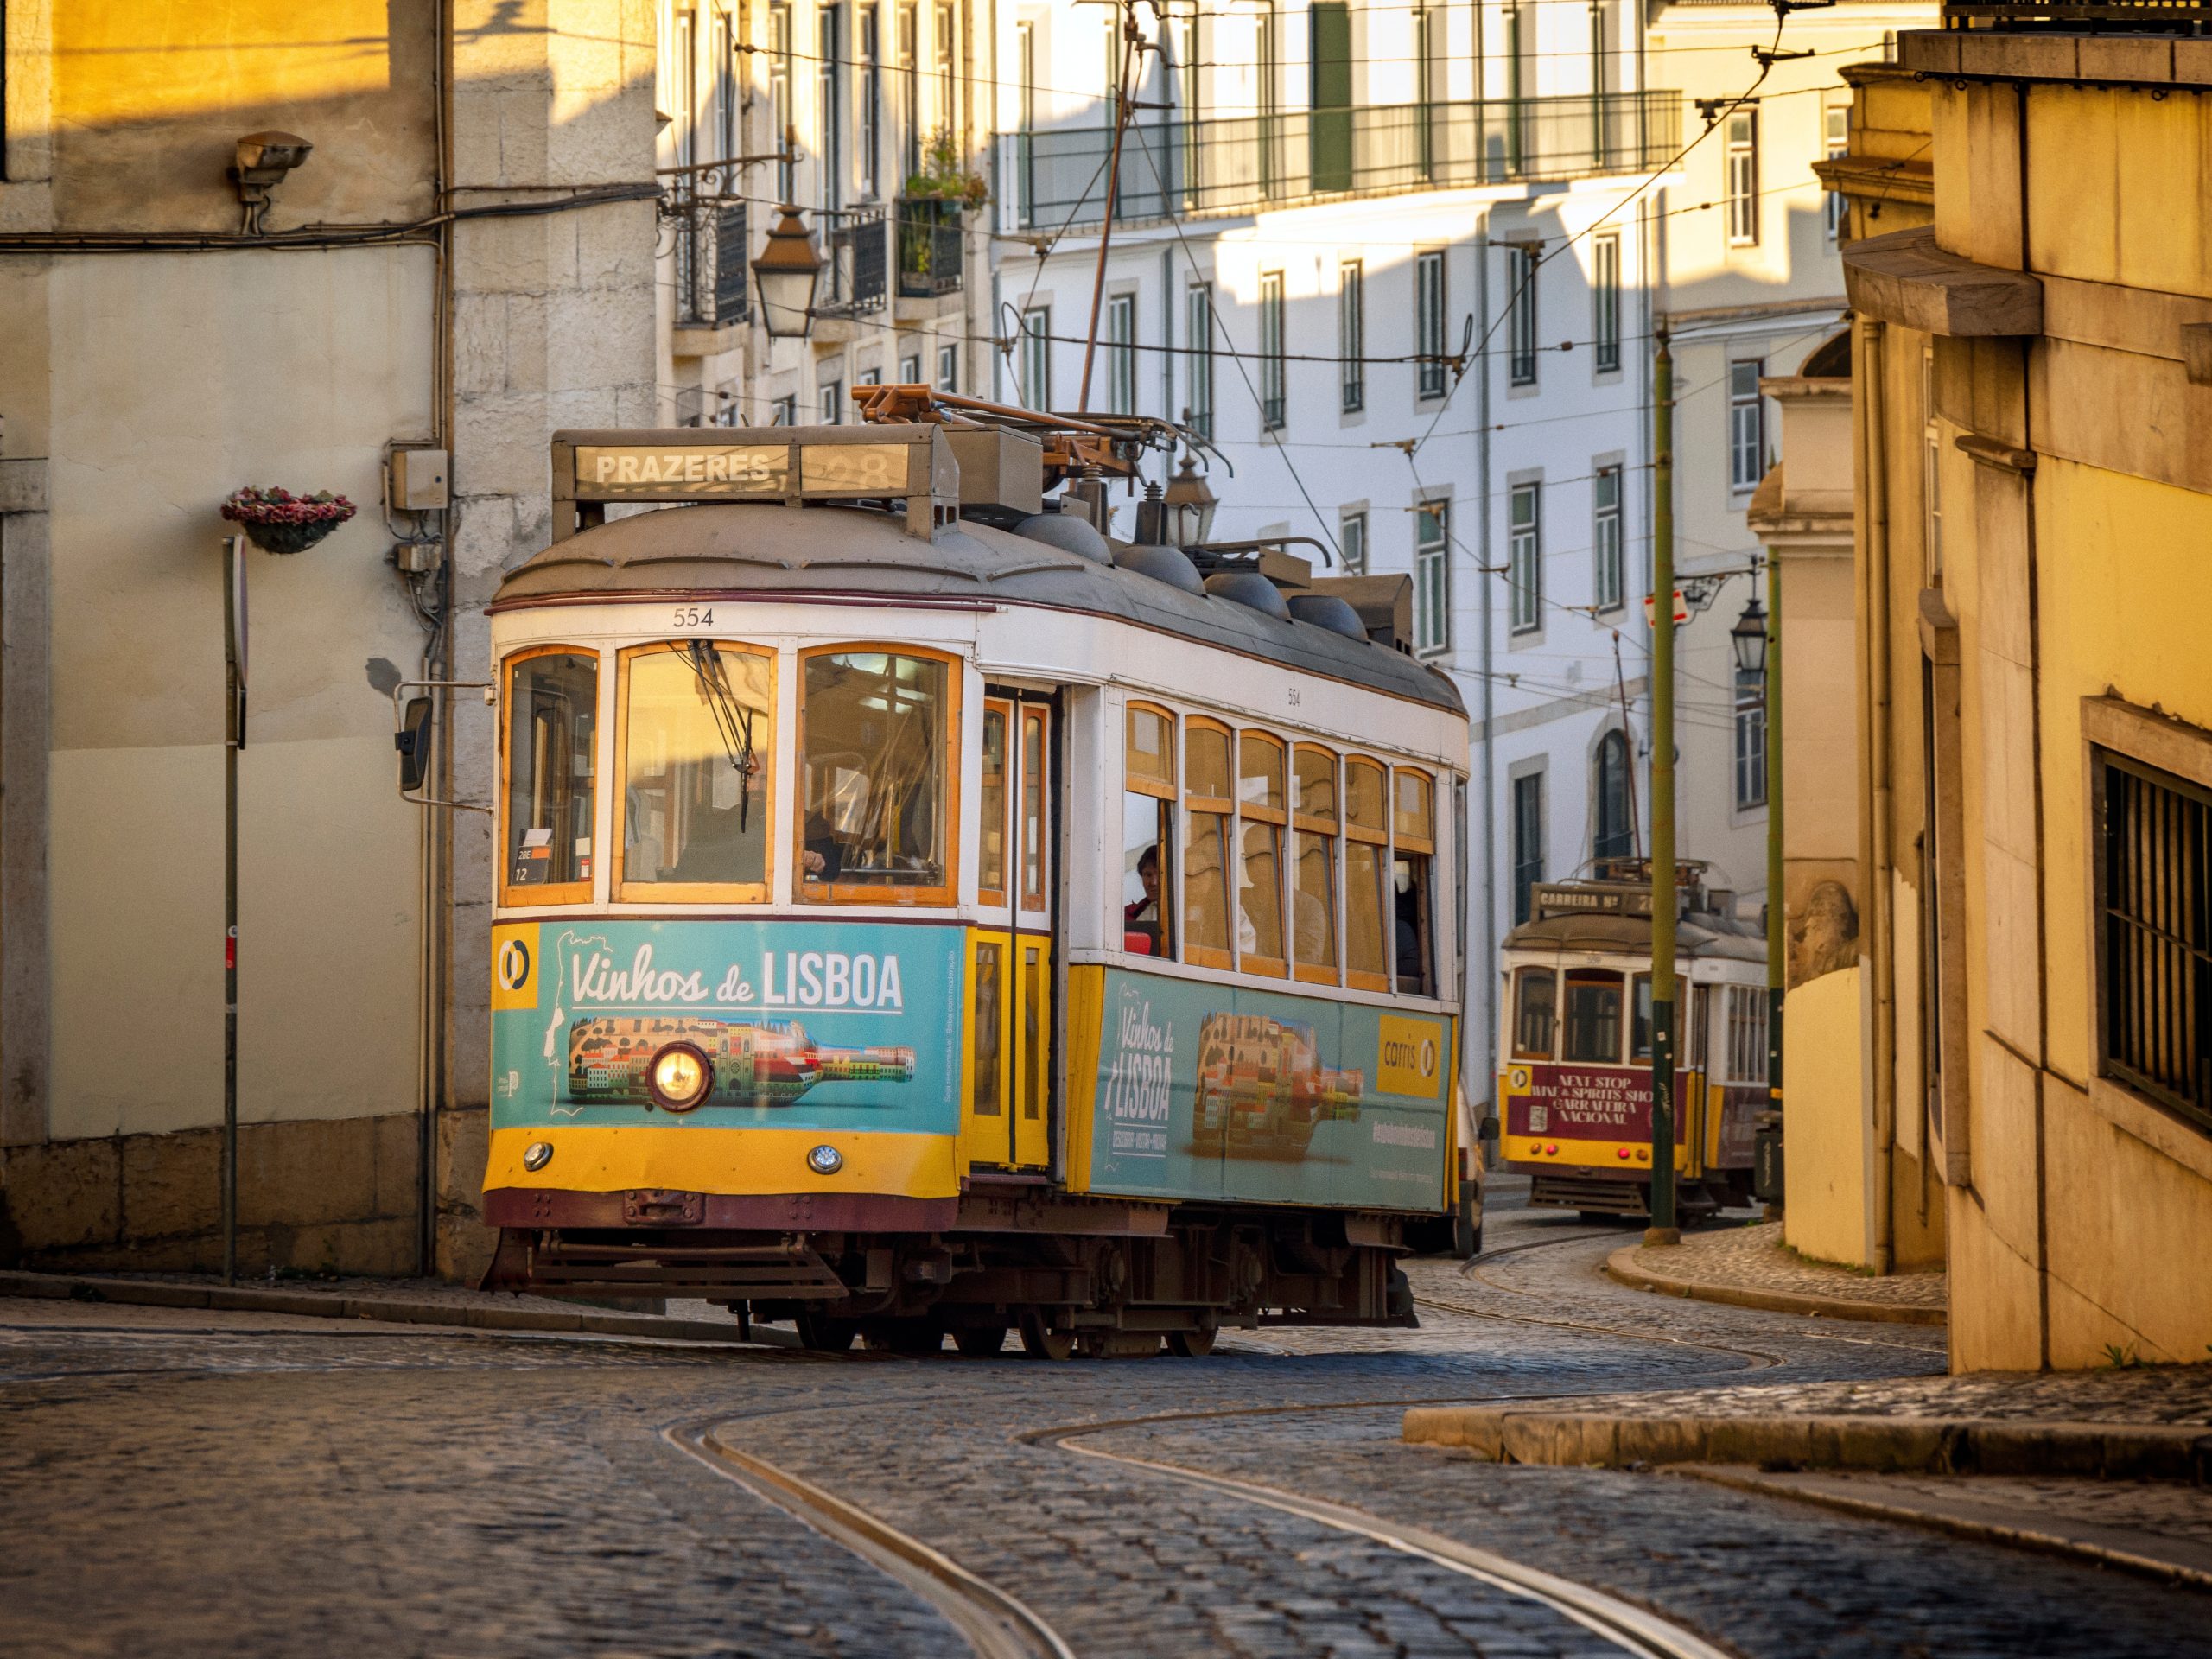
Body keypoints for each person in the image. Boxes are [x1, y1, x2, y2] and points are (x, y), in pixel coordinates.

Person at [1124, 844, 1163, 954]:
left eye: (1160, 874)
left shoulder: (1185, 915)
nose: (1153, 883)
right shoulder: (1127, 915)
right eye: (1148, 875)